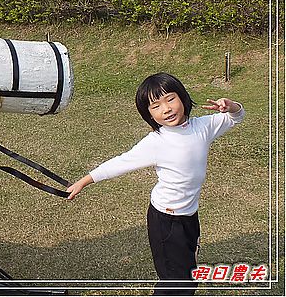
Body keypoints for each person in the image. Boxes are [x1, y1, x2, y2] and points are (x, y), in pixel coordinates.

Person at [67, 72, 245, 295]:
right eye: (156, 106)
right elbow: (121, 162)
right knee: (177, 282)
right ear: (149, 115)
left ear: (182, 97)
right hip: (166, 220)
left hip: (190, 215)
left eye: (170, 99)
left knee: (186, 274)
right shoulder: (156, 142)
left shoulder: (202, 127)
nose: (166, 109)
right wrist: (84, 181)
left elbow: (236, 117)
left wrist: (231, 105)